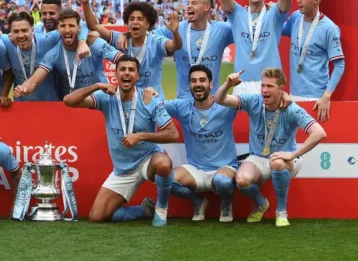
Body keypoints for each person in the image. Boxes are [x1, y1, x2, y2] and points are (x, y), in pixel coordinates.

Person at [63, 55, 179, 227]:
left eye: (131, 70)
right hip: (123, 170)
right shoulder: (106, 98)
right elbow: (69, 101)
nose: (127, 73)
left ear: (137, 76)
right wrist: (96, 86)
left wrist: (141, 136)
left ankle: (161, 209)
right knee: (97, 216)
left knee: (163, 163)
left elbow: (173, 134)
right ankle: (145, 210)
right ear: (115, 74)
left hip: (148, 160)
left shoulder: (148, 99)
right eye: (122, 69)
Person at [215, 68, 327, 226]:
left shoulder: (292, 109)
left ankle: (281, 211)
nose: (264, 90)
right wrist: (227, 84)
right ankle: (261, 203)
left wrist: (293, 155)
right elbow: (219, 100)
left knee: (277, 162)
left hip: (286, 160)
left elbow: (319, 133)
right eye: (263, 86)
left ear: (281, 89)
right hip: (258, 157)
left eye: (270, 87)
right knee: (241, 180)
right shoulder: (254, 101)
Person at [145, 66, 238, 222]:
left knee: (223, 183)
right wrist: (150, 91)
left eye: (202, 80)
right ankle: (198, 201)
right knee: (166, 180)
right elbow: (153, 105)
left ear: (211, 84)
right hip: (196, 170)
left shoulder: (226, 105)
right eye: (193, 81)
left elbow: (254, 103)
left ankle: (226, 205)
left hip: (224, 168)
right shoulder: (182, 106)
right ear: (189, 85)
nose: (198, 84)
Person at [214, 0, 292, 95]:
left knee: (272, 120)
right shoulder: (236, 14)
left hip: (270, 82)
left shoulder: (275, 14)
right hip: (242, 82)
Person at [84, 0, 181, 100]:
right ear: (127, 23)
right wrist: (85, 3)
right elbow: (94, 26)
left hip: (154, 102)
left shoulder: (156, 41)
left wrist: (175, 32)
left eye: (140, 19)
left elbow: (175, 46)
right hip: (128, 103)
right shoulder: (119, 39)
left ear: (148, 24)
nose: (135, 22)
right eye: (131, 19)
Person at [15, 10, 122, 98]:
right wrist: (23, 88)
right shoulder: (54, 54)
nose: (67, 30)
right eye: (63, 26)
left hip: (100, 101)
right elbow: (34, 81)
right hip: (72, 106)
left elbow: (121, 59)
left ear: (79, 28)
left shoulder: (94, 43)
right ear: (58, 28)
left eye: (71, 25)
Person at [152, 0, 234, 99]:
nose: (189, 6)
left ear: (207, 7)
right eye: (188, 3)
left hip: (213, 100)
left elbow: (246, 33)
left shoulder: (223, 29)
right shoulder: (176, 28)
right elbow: (147, 37)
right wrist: (127, 35)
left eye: (194, 3)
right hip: (184, 100)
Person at [282, 0, 344, 121]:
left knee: (315, 139)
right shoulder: (296, 17)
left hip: (316, 98)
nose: (298, 1)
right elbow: (279, 30)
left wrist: (326, 96)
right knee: (296, 142)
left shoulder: (330, 28)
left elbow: (340, 65)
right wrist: (271, 14)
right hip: (293, 95)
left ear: (316, 0)